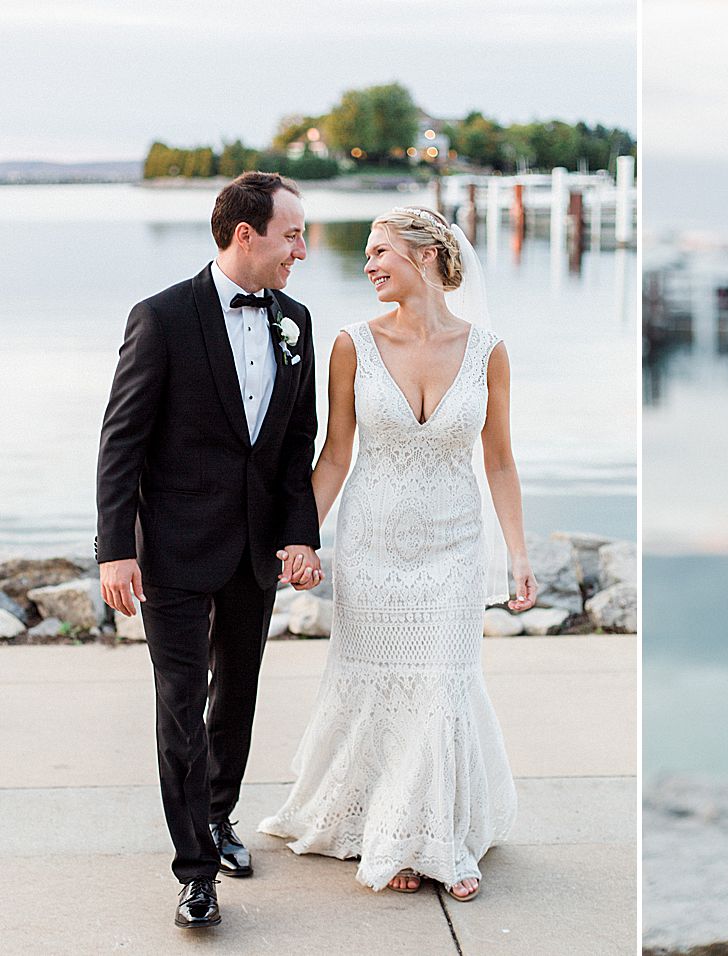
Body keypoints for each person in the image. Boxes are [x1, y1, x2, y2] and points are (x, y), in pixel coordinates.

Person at [259, 205, 538, 902]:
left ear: (422, 256)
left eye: (380, 250)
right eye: (366, 254)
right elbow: (334, 457)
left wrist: (519, 554)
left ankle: (429, 834)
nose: (369, 264)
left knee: (441, 681)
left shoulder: (489, 350)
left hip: (453, 546)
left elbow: (499, 461)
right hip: (371, 545)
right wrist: (298, 538)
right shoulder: (352, 343)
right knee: (378, 683)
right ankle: (391, 829)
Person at [96, 171, 324, 929]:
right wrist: (114, 549)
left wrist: (299, 531)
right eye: (292, 233)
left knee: (239, 697)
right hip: (172, 549)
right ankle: (195, 871)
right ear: (245, 234)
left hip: (256, 550)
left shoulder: (297, 319)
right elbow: (121, 443)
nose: (303, 247)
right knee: (181, 708)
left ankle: (219, 816)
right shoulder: (161, 317)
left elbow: (298, 444)